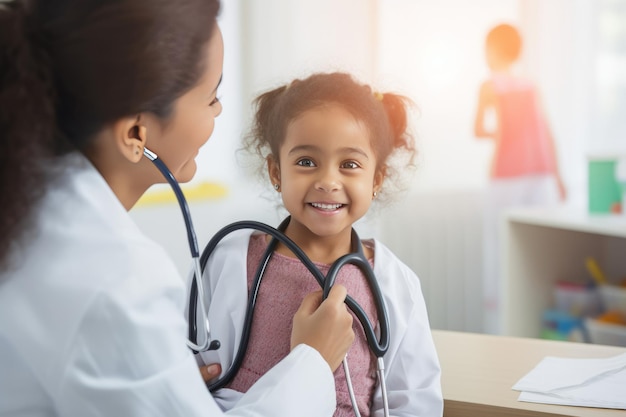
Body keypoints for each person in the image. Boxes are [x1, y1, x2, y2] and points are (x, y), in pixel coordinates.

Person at [0, 1, 356, 416]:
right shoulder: (114, 282)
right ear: (136, 133)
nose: (220, 110)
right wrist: (312, 360)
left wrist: (159, 370)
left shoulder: (30, 198)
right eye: (211, 97)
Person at [196, 72, 443, 416]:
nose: (328, 181)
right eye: (306, 162)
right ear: (276, 172)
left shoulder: (395, 283)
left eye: (350, 164)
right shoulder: (230, 260)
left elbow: (414, 400)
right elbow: (188, 362)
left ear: (377, 179)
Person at [473, 23, 566, 333]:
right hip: (540, 175)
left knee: (500, 248)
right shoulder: (530, 85)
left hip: (506, 176)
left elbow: (479, 129)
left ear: (494, 50)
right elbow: (547, 132)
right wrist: (559, 176)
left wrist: (499, 132)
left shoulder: (490, 86)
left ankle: (502, 325)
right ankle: (531, 319)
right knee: (539, 247)